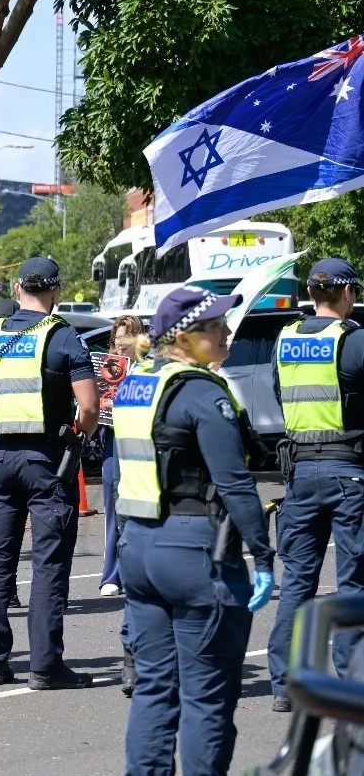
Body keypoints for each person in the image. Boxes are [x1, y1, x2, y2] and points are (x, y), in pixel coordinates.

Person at [114, 286, 275, 774]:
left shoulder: (140, 384)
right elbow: (234, 482)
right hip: (194, 550)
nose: (227, 332)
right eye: (216, 326)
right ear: (183, 337)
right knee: (207, 696)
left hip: (138, 549)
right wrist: (264, 555)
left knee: (154, 690)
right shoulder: (201, 392)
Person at [0, 257, 98, 689]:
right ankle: (44, 665)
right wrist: (79, 434)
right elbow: (91, 407)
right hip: (47, 462)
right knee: (48, 563)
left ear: (18, 287)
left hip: (1, 458)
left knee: (0, 559)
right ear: (55, 291)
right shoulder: (62, 337)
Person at [268, 258, 364, 714]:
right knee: (353, 584)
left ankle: (285, 684)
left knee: (298, 584)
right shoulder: (355, 340)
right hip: (350, 472)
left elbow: (278, 394)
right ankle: (351, 683)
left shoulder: (285, 339)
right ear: (345, 292)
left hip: (300, 473)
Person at [100, 314, 148, 599]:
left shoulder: (148, 368)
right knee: (112, 509)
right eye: (116, 340)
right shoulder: (107, 368)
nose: (119, 346)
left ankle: (136, 572)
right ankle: (111, 575)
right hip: (114, 443)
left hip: (140, 445)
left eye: (124, 340)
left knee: (138, 509)